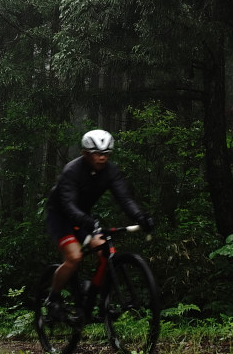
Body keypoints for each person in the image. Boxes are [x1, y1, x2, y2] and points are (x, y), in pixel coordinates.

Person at [42, 129, 154, 321]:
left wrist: (140, 217)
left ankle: (96, 302)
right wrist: (88, 222)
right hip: (60, 216)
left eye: (106, 154)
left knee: (106, 252)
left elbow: (125, 199)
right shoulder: (72, 170)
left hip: (83, 216)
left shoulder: (111, 171)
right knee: (74, 257)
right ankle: (53, 299)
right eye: (97, 154)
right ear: (85, 153)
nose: (102, 158)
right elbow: (68, 205)